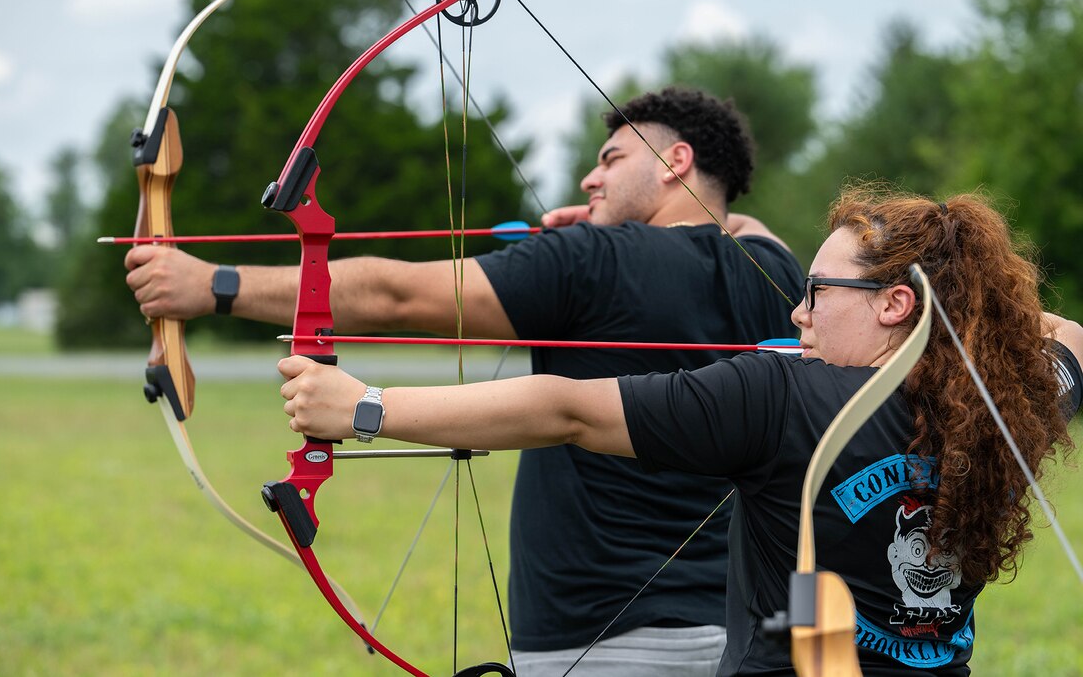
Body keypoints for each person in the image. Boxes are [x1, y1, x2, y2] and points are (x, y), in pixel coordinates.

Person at [125, 87, 804, 675]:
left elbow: (399, 298)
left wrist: (209, 284)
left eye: (611, 160)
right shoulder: (779, 278)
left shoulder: (589, 260)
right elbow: (741, 232)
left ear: (674, 162)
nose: (589, 181)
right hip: (738, 634)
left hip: (597, 638)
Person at [277, 188, 1083, 676]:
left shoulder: (779, 397)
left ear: (895, 304)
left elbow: (566, 407)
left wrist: (361, 406)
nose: (798, 313)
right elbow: (1067, 334)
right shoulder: (1011, 409)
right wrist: (970, 317)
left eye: (817, 291)